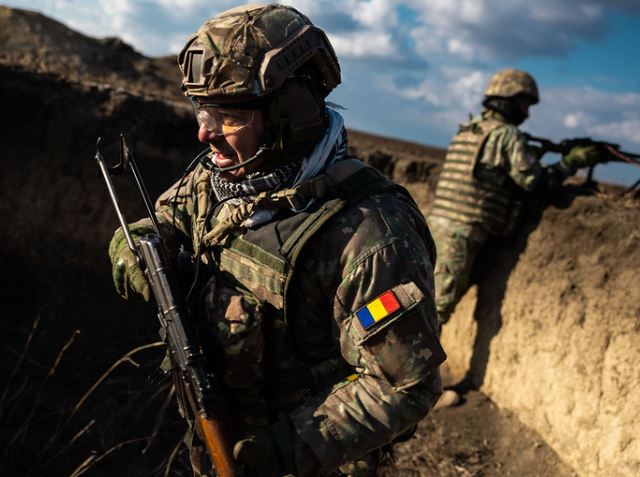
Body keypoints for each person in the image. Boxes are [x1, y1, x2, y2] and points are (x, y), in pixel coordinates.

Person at [108, 4, 445, 476]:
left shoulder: (372, 234)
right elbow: (162, 220)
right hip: (218, 437)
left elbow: (404, 385)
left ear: (291, 113)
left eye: (228, 116)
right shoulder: (223, 178)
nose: (205, 133)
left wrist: (283, 450)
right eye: (202, 110)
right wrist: (135, 248)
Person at [427, 68, 599, 405]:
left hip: (438, 228)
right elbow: (534, 182)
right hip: (462, 235)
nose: (527, 113)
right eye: (524, 104)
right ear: (508, 100)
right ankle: (415, 389)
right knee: (435, 311)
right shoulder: (507, 137)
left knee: (424, 305)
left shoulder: (469, 130)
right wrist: (571, 164)